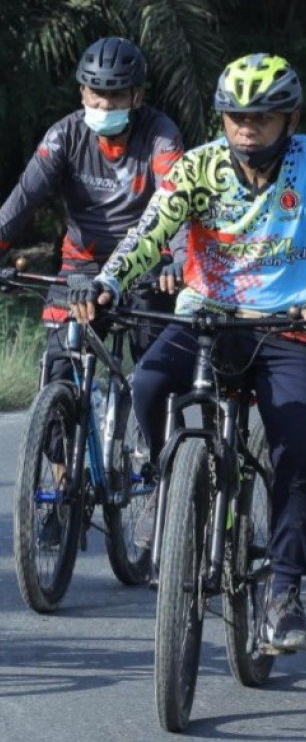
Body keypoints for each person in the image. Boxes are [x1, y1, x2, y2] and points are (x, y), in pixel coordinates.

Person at [69, 53, 306, 654]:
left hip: (287, 327)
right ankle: (167, 485)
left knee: (295, 454)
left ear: (290, 119)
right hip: (207, 318)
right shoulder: (199, 166)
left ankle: (283, 593)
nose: (246, 129)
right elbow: (150, 231)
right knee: (146, 385)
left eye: (261, 117)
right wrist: (110, 282)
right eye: (235, 117)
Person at [0, 37, 184, 548]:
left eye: (116, 98)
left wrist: (179, 261)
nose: (103, 107)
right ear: (82, 92)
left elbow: (179, 202)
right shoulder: (64, 136)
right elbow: (21, 200)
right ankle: (63, 490)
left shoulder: (161, 136)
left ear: (137, 97)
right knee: (60, 369)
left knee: (154, 369)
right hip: (79, 269)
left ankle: (161, 473)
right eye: (95, 97)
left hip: (147, 267)